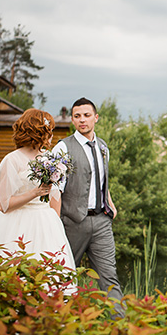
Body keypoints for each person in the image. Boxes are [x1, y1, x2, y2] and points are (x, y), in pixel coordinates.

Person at [0, 109, 77, 277]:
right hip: (16, 222)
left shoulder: (50, 158)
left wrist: (55, 224)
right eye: (48, 131)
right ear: (38, 132)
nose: (51, 135)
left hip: (46, 222)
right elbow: (4, 205)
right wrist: (35, 193)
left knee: (49, 273)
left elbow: (55, 194)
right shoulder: (12, 160)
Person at [52, 98, 123, 315]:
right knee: (63, 275)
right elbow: (55, 190)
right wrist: (54, 225)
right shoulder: (62, 148)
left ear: (96, 118)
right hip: (72, 222)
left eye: (86, 115)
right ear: (72, 119)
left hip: (101, 221)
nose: (82, 120)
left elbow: (100, 180)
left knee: (109, 276)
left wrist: (110, 203)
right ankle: (58, 325)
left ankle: (119, 328)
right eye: (77, 116)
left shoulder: (103, 147)